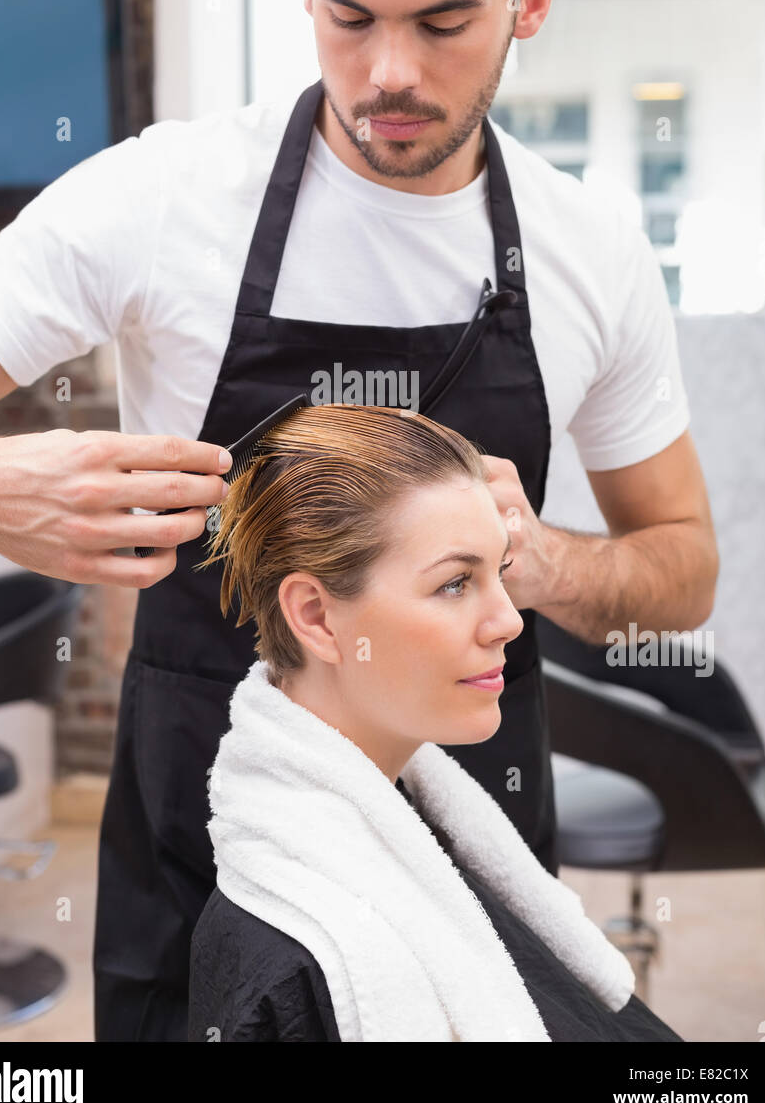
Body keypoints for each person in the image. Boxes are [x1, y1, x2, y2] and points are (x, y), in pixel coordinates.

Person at [0, 0, 717, 1042]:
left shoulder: (590, 255)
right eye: (347, 16)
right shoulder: (161, 198)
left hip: (470, 815)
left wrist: (547, 561)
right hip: (204, 818)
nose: (388, 72)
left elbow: (681, 572)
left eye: (443, 20)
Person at [188, 402, 683, 1043]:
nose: (509, 620)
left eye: (500, 570)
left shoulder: (431, 834)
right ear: (314, 616)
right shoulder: (292, 973)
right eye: (455, 583)